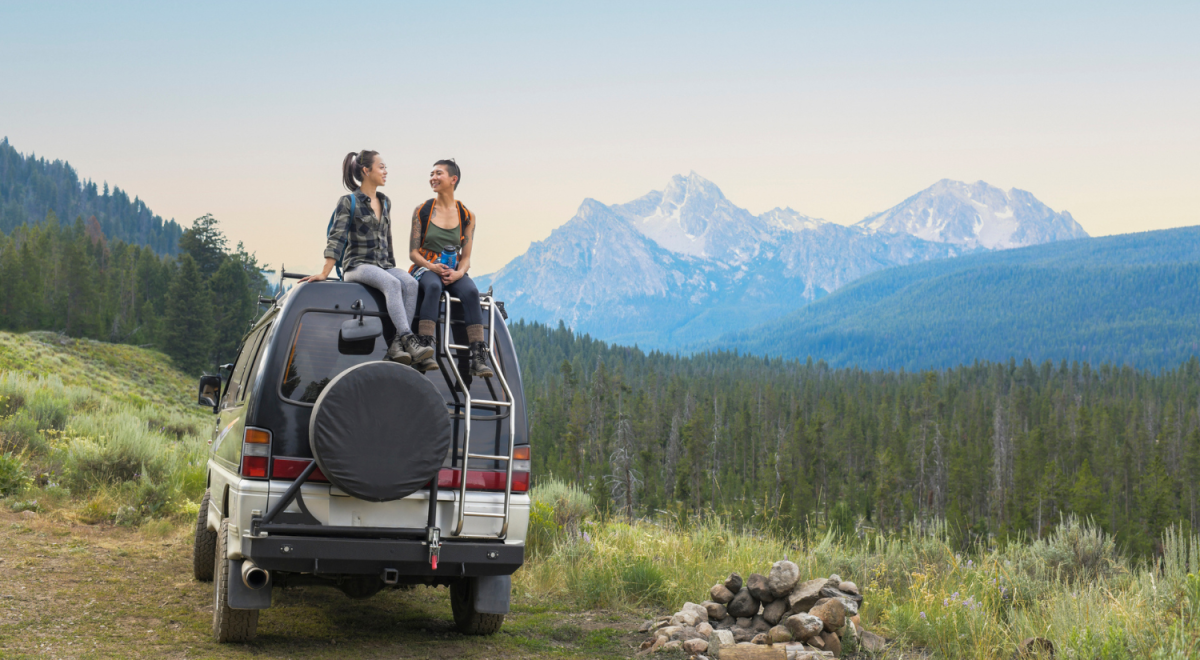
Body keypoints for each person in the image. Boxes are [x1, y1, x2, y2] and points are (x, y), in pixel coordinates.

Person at [299, 150, 432, 366]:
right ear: (366, 170)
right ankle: (408, 337)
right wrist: (325, 272)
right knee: (391, 283)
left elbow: (387, 240)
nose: (386, 171)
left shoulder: (385, 202)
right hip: (357, 267)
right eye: (381, 167)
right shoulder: (348, 202)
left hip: (383, 266)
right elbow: (337, 238)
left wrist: (392, 266)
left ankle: (397, 346)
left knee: (410, 282)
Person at [408, 159, 495, 377]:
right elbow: (413, 253)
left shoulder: (467, 215)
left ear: (453, 179)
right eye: (432, 174)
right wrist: (432, 267)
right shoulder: (422, 211)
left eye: (438, 174)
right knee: (434, 288)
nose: (433, 178)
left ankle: (478, 356)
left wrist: (459, 273)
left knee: (471, 291)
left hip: (453, 270)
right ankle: (425, 347)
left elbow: (466, 258)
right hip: (426, 268)